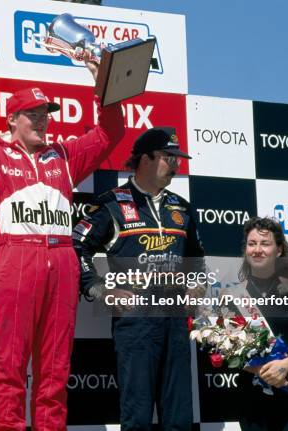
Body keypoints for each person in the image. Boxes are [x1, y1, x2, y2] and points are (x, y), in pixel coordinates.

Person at [0, 40, 125, 430]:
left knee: (54, 374)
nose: (42, 120)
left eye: (45, 113)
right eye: (31, 114)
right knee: (10, 369)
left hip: (62, 260)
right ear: (12, 121)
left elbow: (112, 130)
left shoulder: (63, 157)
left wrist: (101, 83)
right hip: (17, 259)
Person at [73, 127, 203, 430]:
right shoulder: (111, 204)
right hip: (136, 321)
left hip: (175, 319)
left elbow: (196, 257)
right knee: (137, 417)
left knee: (179, 417)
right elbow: (76, 246)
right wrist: (97, 288)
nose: (175, 165)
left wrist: (196, 282)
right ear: (145, 159)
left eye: (178, 159)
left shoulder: (181, 207)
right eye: (169, 157)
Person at [231, 217, 288, 431]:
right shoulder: (232, 295)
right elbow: (230, 351)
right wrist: (265, 371)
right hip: (253, 397)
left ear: (278, 250)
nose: (257, 250)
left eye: (265, 244)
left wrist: (287, 364)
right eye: (252, 244)